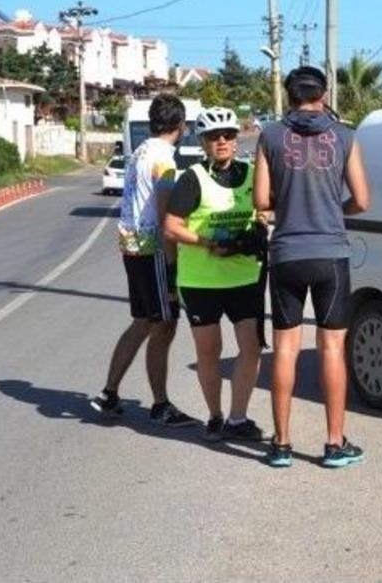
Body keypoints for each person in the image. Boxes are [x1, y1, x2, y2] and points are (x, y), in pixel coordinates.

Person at [254, 66, 370, 468]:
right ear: (324, 93)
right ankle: (335, 444)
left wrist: (288, 206)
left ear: (289, 95)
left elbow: (262, 199)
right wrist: (334, 212)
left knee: (286, 348)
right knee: (332, 348)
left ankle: (282, 445)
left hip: (286, 253)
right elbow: (363, 200)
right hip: (330, 255)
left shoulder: (269, 135)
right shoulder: (345, 136)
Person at [90, 93, 196, 426]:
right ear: (180, 126)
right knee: (164, 325)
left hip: (132, 247)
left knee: (143, 323)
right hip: (153, 250)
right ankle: (161, 404)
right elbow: (166, 215)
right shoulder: (165, 159)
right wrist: (173, 262)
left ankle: (109, 392)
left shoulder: (139, 152)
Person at [163, 107, 266, 443]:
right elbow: (171, 226)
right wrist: (208, 242)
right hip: (201, 280)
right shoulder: (192, 177)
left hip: (244, 276)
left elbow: (270, 207)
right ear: (203, 142)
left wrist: (263, 224)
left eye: (228, 135)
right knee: (209, 351)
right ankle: (216, 416)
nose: (221, 141)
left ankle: (238, 417)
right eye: (213, 137)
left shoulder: (254, 173)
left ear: (237, 139)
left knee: (250, 348)